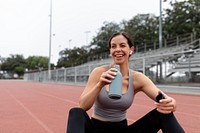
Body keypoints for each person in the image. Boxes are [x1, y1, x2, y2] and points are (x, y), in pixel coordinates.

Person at [66, 32, 185, 133]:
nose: (118, 49)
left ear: (131, 49)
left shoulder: (138, 78)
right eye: (113, 46)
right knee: (76, 112)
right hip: (95, 129)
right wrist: (99, 85)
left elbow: (164, 99)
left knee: (163, 113)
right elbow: (82, 106)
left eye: (122, 45)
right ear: (110, 50)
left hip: (122, 130)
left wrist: (172, 103)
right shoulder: (99, 73)